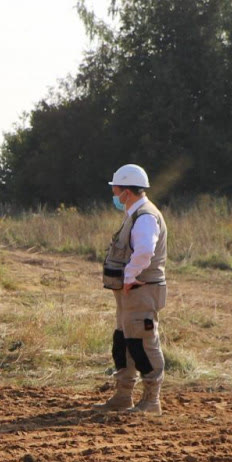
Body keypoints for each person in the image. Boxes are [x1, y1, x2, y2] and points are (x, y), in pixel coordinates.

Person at [100, 163, 168, 415]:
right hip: (131, 293)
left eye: (116, 189)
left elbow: (145, 251)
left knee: (142, 342)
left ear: (126, 191)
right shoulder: (135, 214)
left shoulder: (146, 216)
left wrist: (129, 275)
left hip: (142, 289)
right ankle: (123, 396)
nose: (114, 194)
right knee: (124, 341)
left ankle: (151, 401)